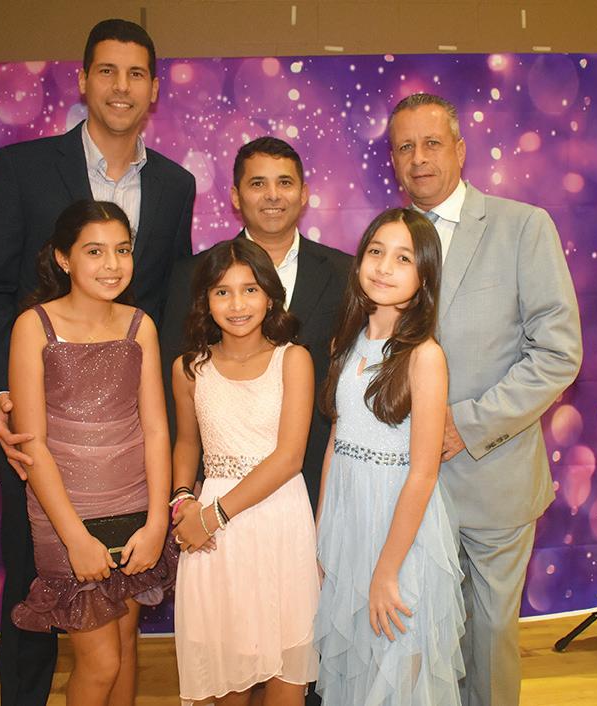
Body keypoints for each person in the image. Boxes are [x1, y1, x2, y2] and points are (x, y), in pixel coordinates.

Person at [0, 18, 195, 706]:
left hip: (128, 455)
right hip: (40, 435)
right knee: (33, 595)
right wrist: (2, 397)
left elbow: (168, 304)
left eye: (136, 74)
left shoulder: (176, 185)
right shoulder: (24, 167)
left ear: (153, 88)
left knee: (120, 637)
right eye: (107, 71)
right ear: (84, 79)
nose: (121, 87)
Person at [387, 92, 582, 706]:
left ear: (460, 149)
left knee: (489, 642)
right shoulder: (386, 241)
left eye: (431, 143)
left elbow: (557, 354)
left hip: (492, 474)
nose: (419, 158)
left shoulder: (523, 226)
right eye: (405, 147)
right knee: (418, 641)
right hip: (404, 486)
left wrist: (464, 425)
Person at [9, 200, 176, 706]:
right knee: (100, 662)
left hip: (133, 505)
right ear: (64, 258)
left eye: (122, 250)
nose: (112, 264)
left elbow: (156, 430)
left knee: (124, 649)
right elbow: (32, 443)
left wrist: (157, 523)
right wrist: (75, 537)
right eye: (95, 251)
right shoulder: (33, 326)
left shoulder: (140, 326)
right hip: (65, 514)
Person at [314, 208, 465, 704]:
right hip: (347, 519)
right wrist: (322, 533)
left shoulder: (425, 355)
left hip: (400, 528)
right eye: (376, 251)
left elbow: (423, 473)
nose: (383, 266)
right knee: (354, 664)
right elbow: (336, 443)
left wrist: (386, 569)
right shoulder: (345, 342)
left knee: (399, 669)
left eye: (403, 258)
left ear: (425, 276)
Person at [161, 136, 351, 511]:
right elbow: (178, 388)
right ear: (235, 196)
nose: (273, 195)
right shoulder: (193, 275)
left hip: (319, 479)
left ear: (304, 193)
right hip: (215, 487)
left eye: (285, 182)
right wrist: (185, 488)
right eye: (258, 183)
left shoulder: (346, 273)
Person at [171, 239, 320, 705]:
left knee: (285, 677)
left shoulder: (293, 359)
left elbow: (289, 457)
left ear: (270, 297)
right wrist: (182, 500)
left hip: (278, 520)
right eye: (223, 292)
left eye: (250, 290)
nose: (237, 305)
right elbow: (187, 442)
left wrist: (212, 515)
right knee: (225, 679)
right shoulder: (190, 368)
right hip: (215, 539)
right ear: (205, 300)